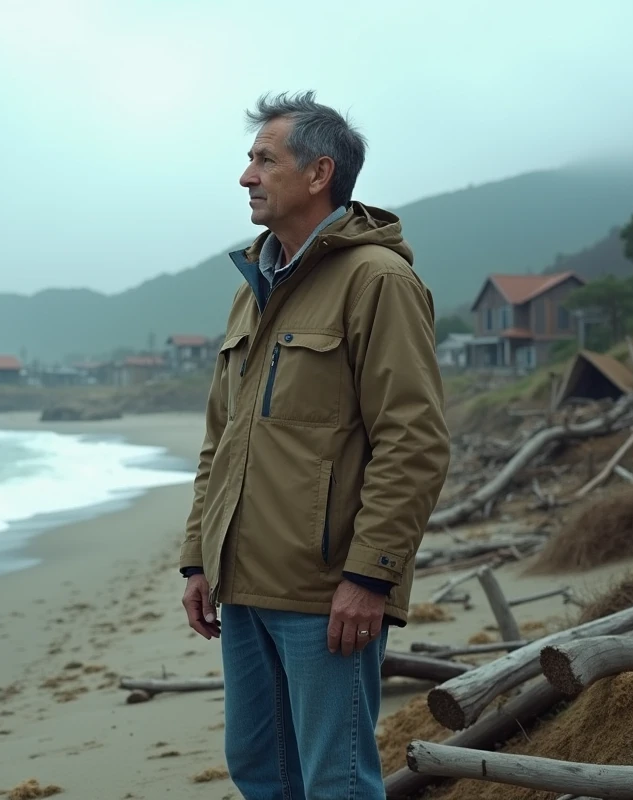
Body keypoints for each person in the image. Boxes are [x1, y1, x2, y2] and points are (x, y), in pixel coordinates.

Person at [178, 91, 451, 799]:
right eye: (249, 161)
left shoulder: (378, 281)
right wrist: (196, 560)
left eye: (264, 160)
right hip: (240, 581)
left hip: (327, 591)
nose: (246, 176)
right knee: (263, 774)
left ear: (318, 173)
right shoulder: (253, 287)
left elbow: (413, 440)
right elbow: (221, 440)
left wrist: (371, 575)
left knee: (337, 782)